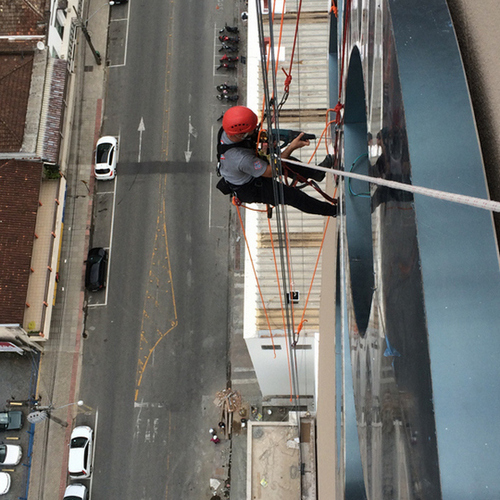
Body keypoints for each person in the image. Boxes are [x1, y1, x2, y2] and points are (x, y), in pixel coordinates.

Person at [217, 106, 337, 217]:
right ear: (240, 134)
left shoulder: (226, 131)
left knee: (288, 162)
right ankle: (334, 211)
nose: (254, 131)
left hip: (245, 169)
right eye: (252, 130)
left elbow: (251, 140)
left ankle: (315, 173)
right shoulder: (241, 158)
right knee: (293, 197)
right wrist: (291, 147)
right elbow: (272, 171)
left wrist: (265, 144)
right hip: (251, 188)